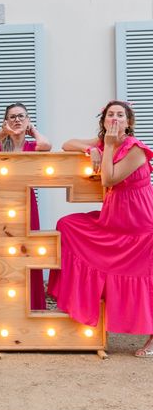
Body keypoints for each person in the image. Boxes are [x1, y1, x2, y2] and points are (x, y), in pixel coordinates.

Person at [48, 100, 153, 357]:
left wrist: (105, 147)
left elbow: (110, 178)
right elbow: (66, 143)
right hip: (113, 219)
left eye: (120, 115)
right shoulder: (102, 142)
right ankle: (79, 307)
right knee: (68, 226)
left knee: (147, 278)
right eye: (110, 115)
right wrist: (89, 148)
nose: (115, 118)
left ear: (128, 123)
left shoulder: (136, 150)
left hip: (140, 225)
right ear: (104, 120)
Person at [0, 102, 51, 310]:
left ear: (27, 121)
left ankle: (32, 307)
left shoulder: (31, 148)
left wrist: (32, 130)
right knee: (1, 255)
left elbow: (46, 145)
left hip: (26, 203)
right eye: (12, 117)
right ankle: (5, 309)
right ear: (5, 121)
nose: (17, 120)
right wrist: (1, 133)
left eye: (21, 116)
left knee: (28, 252)